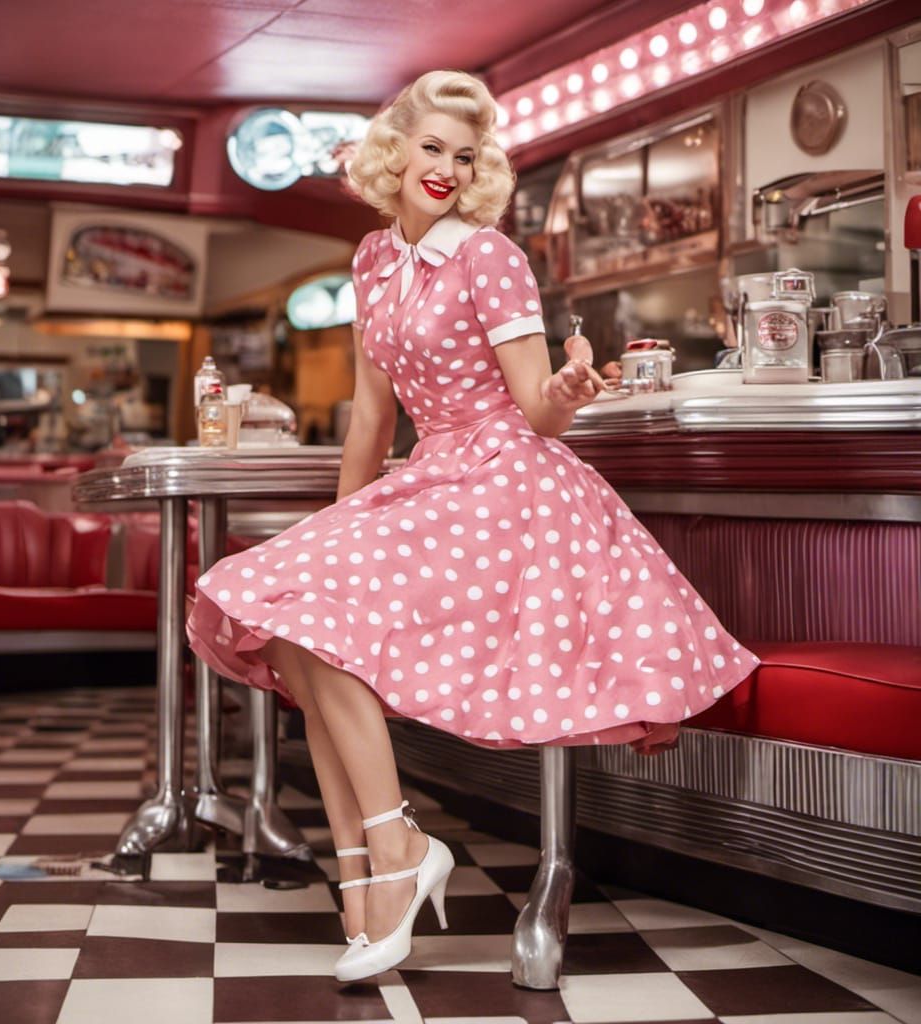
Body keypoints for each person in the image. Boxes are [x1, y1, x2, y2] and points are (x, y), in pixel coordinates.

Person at [186, 69, 758, 983]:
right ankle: (366, 873)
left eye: (465, 153)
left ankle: (398, 852)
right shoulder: (374, 260)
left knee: (312, 618)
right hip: (431, 477)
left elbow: (536, 406)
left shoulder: (490, 257)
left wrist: (569, 391)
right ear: (395, 151)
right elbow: (372, 416)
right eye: (432, 148)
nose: (447, 167)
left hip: (504, 483)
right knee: (292, 618)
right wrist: (337, 536)